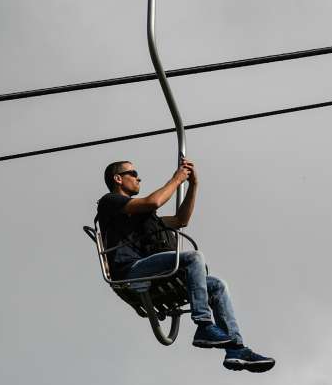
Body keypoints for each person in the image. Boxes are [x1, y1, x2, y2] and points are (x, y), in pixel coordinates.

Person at [96, 158, 275, 373]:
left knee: (217, 285)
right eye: (133, 173)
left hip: (153, 271)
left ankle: (236, 349)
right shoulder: (110, 202)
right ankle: (203, 324)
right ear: (118, 178)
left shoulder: (143, 218)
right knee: (192, 257)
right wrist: (176, 179)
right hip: (130, 270)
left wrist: (193, 185)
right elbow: (153, 202)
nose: (138, 177)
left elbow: (181, 220)